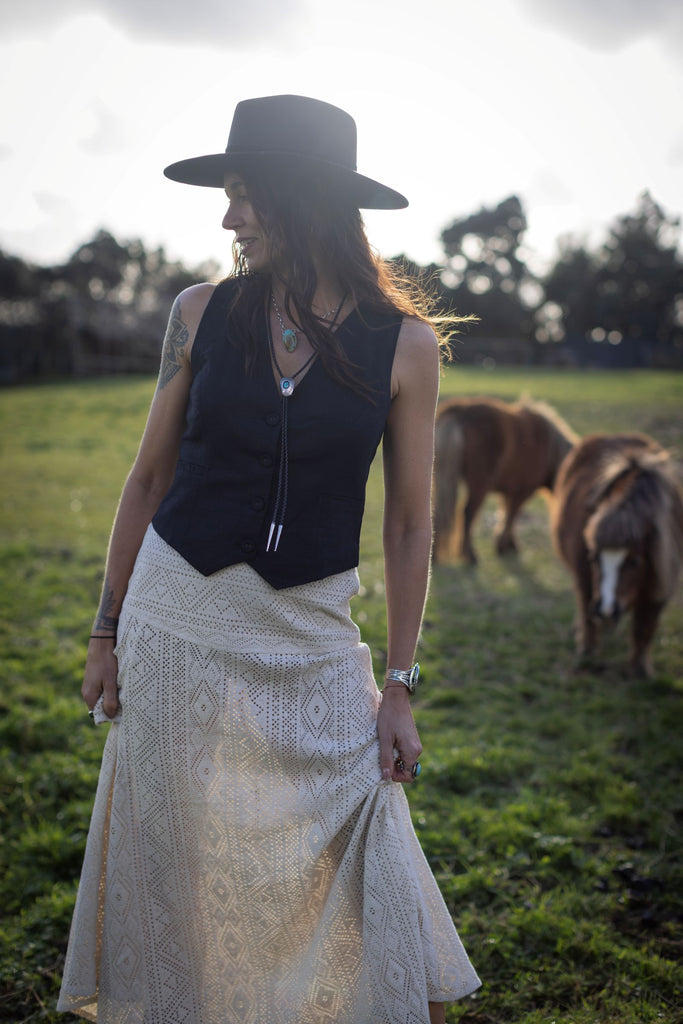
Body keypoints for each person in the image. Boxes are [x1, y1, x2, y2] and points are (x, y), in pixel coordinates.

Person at [57, 94, 480, 1024]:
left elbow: (409, 524)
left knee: (364, 826)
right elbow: (148, 478)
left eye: (246, 194)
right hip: (175, 618)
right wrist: (105, 632)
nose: (228, 216)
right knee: (171, 856)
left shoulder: (405, 345)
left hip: (311, 632)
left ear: (301, 198)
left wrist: (399, 684)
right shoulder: (199, 313)